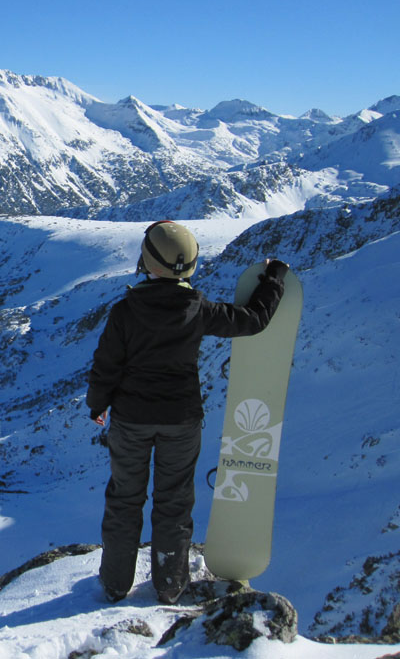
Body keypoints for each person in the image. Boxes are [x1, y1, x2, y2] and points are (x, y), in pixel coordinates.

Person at [86, 220, 289, 605]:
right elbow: (253, 320)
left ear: (146, 261)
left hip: (130, 420)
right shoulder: (198, 310)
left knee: (125, 500)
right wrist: (273, 279)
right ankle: (169, 584)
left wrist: (98, 405)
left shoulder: (126, 311)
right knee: (174, 501)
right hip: (181, 421)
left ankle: (115, 583)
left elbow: (106, 366)